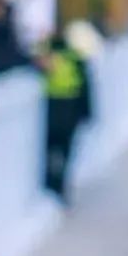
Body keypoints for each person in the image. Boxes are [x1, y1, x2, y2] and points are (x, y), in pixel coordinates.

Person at [39, 30, 93, 203]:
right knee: (64, 149)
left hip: (54, 108)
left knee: (53, 149)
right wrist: (87, 112)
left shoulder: (49, 59)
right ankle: (58, 184)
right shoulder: (75, 58)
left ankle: (54, 183)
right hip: (69, 110)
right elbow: (86, 88)